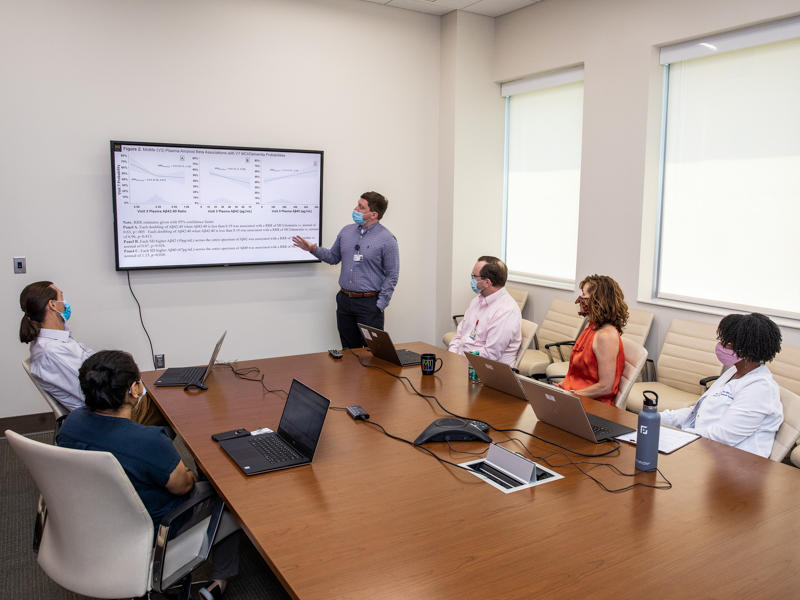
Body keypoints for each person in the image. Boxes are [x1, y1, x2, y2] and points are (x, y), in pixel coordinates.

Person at [57, 350, 239, 599]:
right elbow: (184, 486)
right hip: (154, 526)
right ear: (133, 390)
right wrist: (193, 475)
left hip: (92, 517)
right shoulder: (148, 443)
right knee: (227, 489)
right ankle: (220, 580)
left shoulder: (72, 423)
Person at [19, 281, 166, 427]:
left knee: (169, 389)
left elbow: (95, 364)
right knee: (174, 402)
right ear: (53, 305)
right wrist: (134, 389)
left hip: (118, 404)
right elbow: (95, 392)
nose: (65, 302)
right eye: (61, 297)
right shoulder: (51, 352)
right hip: (118, 415)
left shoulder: (58, 339)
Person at [660, 313, 783, 458]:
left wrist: (672, 435)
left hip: (736, 464)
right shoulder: (734, 372)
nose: (721, 346)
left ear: (747, 349)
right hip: (706, 449)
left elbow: (723, 436)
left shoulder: (760, 387)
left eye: (728, 343)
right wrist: (658, 418)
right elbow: (698, 412)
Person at [292, 192, 399, 349]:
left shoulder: (387, 239)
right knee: (349, 351)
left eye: (361, 207)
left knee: (373, 353)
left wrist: (380, 304)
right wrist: (313, 249)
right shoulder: (346, 231)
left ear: (373, 214)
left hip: (369, 304)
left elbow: (392, 275)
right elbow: (333, 257)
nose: (355, 208)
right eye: (357, 204)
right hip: (345, 300)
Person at [559, 275, 628, 405]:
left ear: (598, 301)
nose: (580, 300)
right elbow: (578, 373)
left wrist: (570, 395)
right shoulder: (590, 327)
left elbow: (605, 387)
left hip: (594, 404)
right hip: (576, 396)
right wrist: (563, 385)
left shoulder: (606, 336)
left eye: (584, 295)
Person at [448, 256, 522, 367]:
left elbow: (489, 356)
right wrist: (452, 358)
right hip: (462, 365)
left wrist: (458, 364)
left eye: (474, 276)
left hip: (486, 374)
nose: (472, 279)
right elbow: (459, 336)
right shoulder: (477, 301)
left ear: (487, 282)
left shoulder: (506, 311)